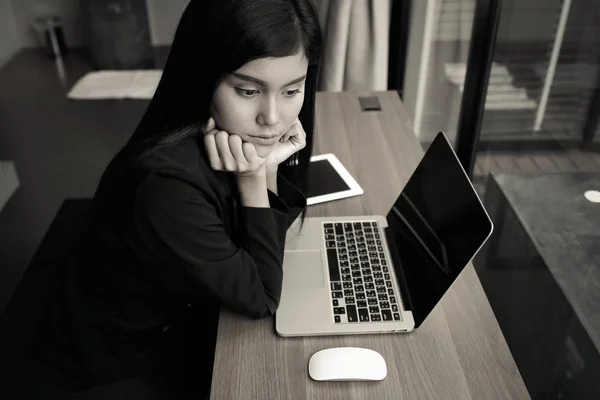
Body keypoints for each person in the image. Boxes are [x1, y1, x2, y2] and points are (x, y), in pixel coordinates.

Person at [5, 0, 322, 398]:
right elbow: (260, 297)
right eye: (247, 90)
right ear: (203, 74)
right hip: (115, 362)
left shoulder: (226, 138)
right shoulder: (167, 182)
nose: (272, 118)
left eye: (292, 90)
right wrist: (255, 178)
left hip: (172, 318)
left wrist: (266, 167)